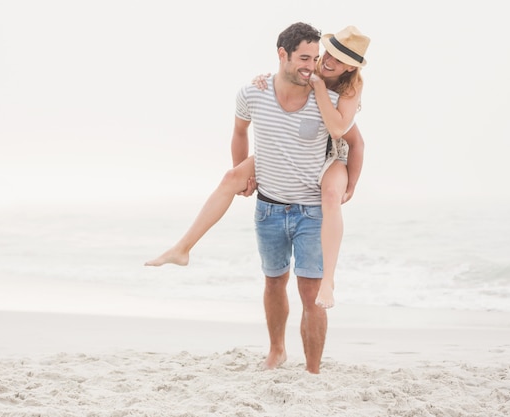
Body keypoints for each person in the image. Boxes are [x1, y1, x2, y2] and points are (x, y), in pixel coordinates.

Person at [146, 26, 370, 312]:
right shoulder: (309, 69)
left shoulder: (350, 88)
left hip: (334, 152)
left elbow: (350, 137)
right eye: (327, 54)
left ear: (351, 67)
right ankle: (182, 249)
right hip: (297, 146)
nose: (326, 61)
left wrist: (352, 184)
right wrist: (265, 80)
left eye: (338, 60)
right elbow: (289, 69)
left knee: (330, 197)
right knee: (231, 177)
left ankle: (329, 280)